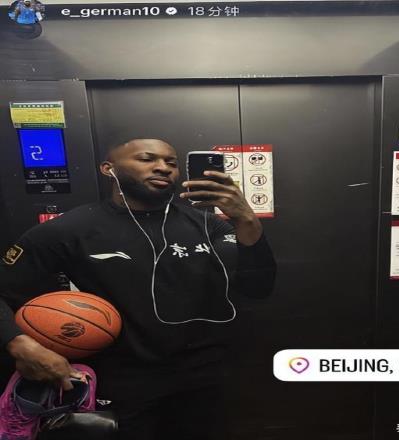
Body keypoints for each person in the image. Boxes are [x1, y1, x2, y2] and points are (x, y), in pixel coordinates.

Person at [0, 139, 276, 439]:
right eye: (147, 159)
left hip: (203, 380)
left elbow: (258, 288)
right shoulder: (69, 229)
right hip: (122, 382)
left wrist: (246, 219)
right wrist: (21, 346)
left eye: (171, 162)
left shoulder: (210, 226)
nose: (162, 167)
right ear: (108, 169)